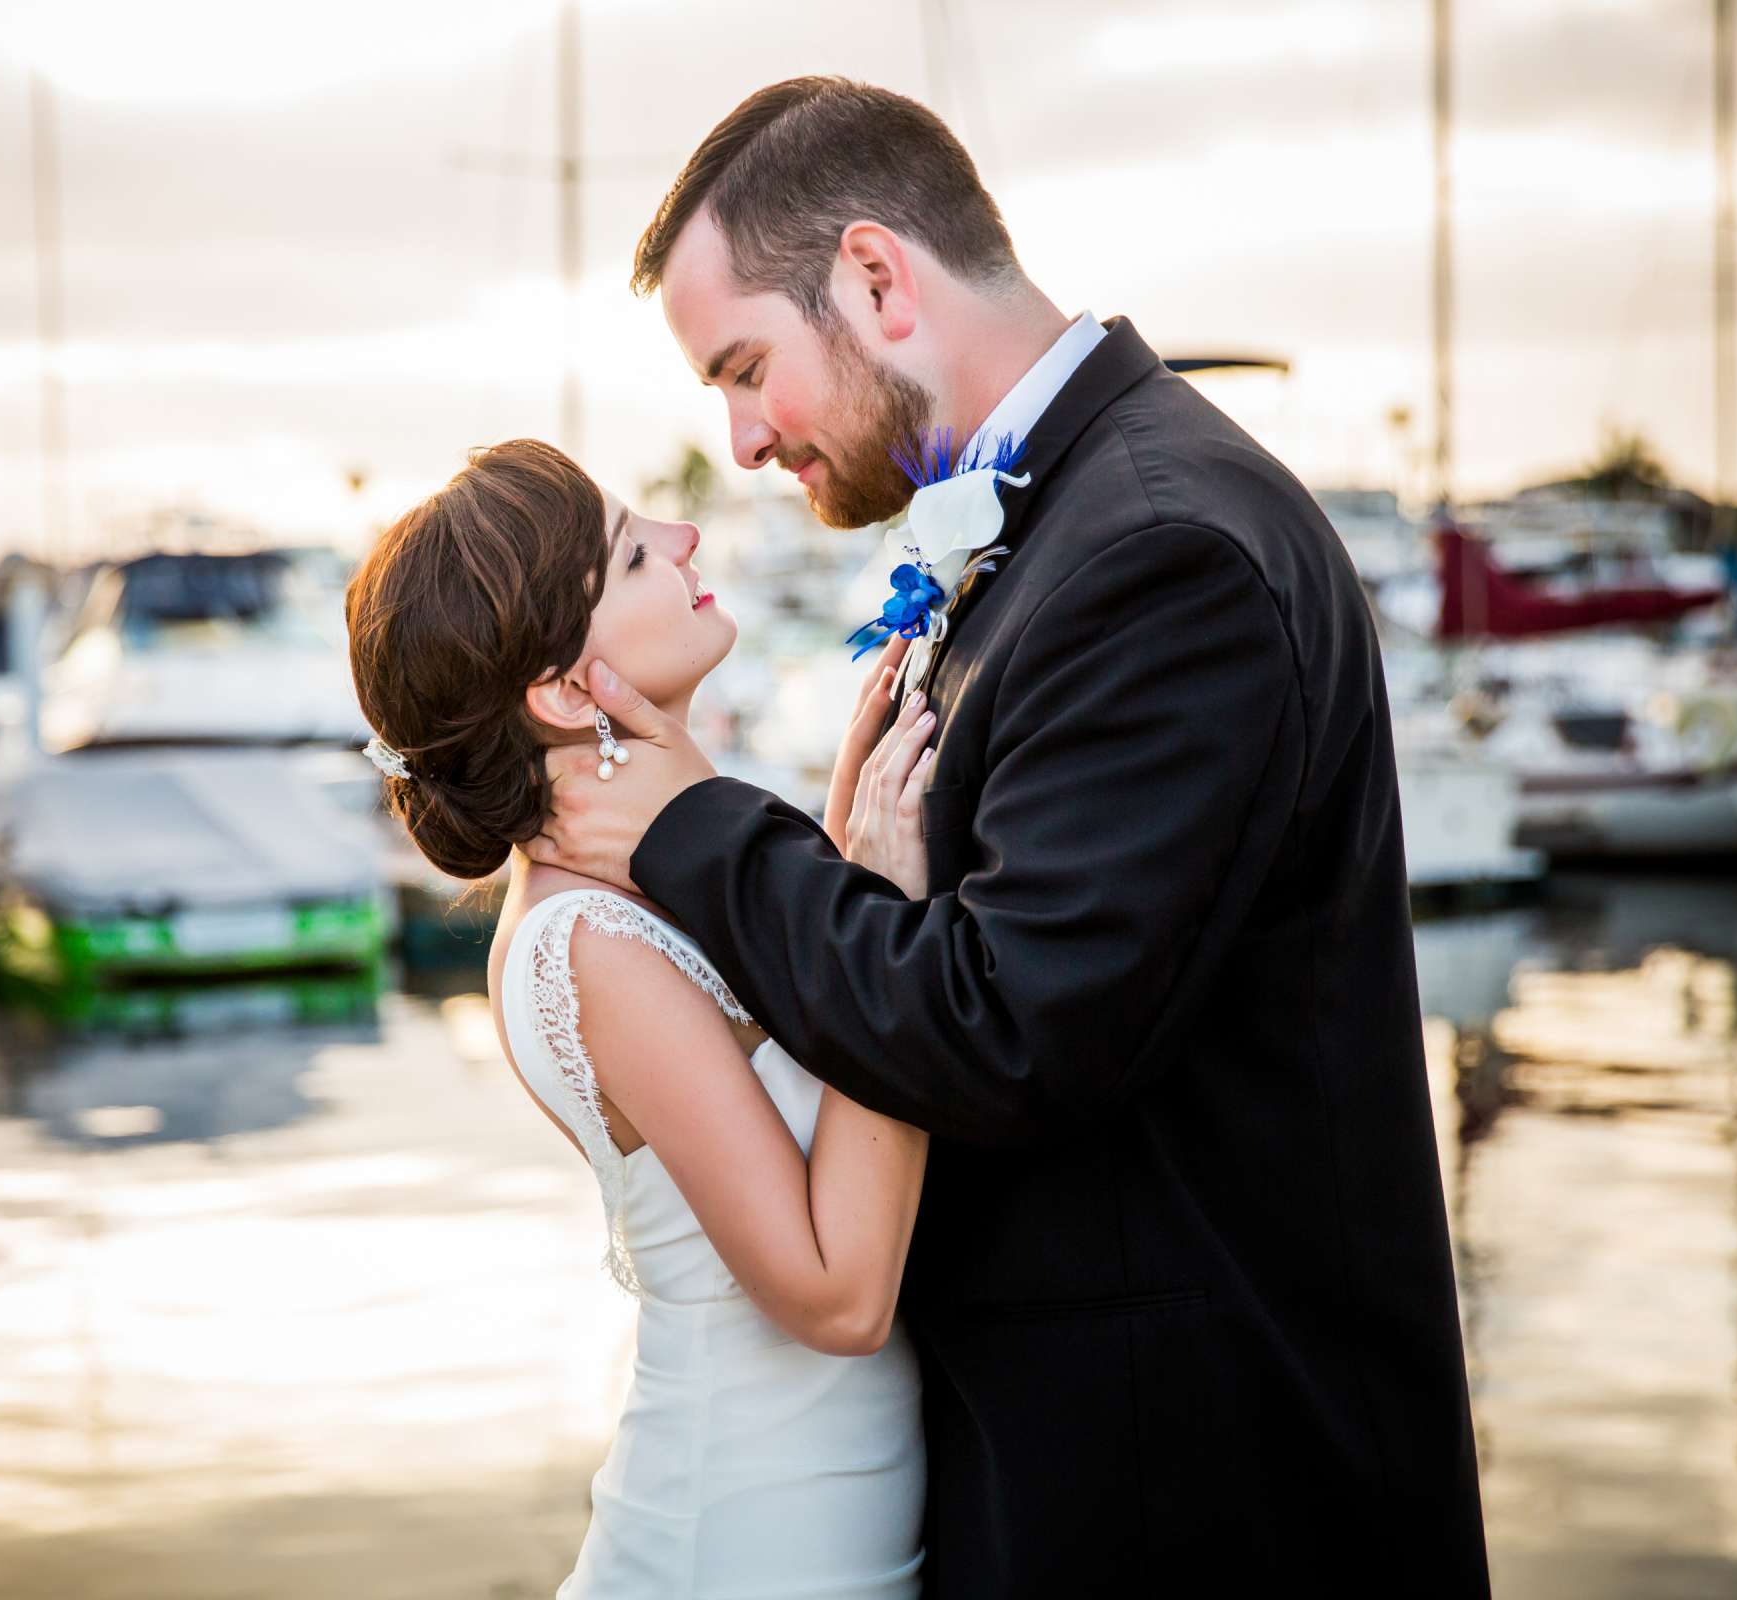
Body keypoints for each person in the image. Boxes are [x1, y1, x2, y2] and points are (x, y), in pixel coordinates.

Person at [525, 77, 1491, 1595]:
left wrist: (693, 832)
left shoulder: (1164, 549)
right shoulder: (1066, 518)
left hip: (1198, 1503)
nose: (742, 438)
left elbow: (1009, 1028)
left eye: (746, 368)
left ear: (876, 278)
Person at [346, 438, 947, 1596]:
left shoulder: (657, 880)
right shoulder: (590, 944)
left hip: (831, 1509)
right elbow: (837, 1292)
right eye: (634, 553)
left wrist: (830, 875)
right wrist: (886, 928)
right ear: (569, 690)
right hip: (754, 1541)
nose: (685, 540)